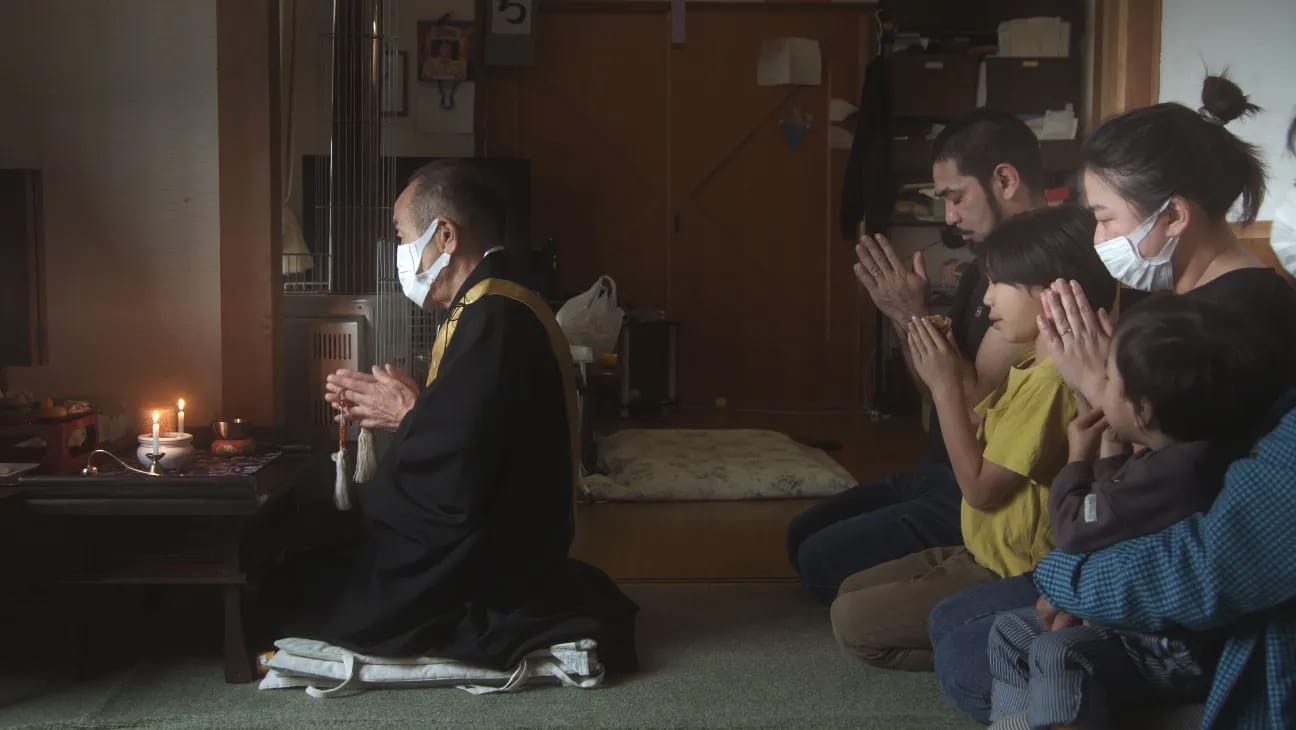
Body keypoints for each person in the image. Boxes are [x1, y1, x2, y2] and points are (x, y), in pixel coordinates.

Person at [929, 74, 1296, 723]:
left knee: (968, 652)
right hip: (1123, 539)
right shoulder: (1177, 295)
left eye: (1103, 217)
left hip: (1185, 590)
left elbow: (1199, 498)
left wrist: (1099, 393)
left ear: (1175, 215)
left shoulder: (1244, 318)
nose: (1099, 240)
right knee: (967, 632)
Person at [262, 160, 639, 672]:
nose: (398, 255)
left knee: (303, 592)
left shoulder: (494, 317)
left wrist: (412, 413)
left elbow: (461, 471)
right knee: (318, 567)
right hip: (501, 530)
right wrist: (418, 413)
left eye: (401, 235)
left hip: (492, 558)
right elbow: (474, 432)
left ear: (444, 235)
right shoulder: (492, 304)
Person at [828, 205, 1115, 669]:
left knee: (853, 624)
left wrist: (943, 389)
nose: (986, 302)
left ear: (1051, 293)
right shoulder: (1028, 363)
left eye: (998, 284)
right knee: (848, 590)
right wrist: (930, 344)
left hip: (1013, 570)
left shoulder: (1054, 382)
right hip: (980, 550)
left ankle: (994, 643)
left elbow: (980, 490)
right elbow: (979, 425)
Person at [986, 296, 1292, 729]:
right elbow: (1121, 507)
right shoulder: (1186, 450)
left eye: (1108, 377)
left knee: (1058, 650)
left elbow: (1077, 527)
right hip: (1141, 611)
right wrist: (1112, 456)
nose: (1099, 384)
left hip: (1168, 643)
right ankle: (1023, 719)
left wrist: (1078, 459)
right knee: (1008, 631)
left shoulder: (1176, 473)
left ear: (1143, 410)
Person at [786, 109, 1047, 602]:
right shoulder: (982, 268)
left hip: (976, 488)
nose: (949, 217)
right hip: (936, 468)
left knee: (820, 562)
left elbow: (971, 410)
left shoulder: (1036, 277)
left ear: (1005, 180)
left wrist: (913, 316)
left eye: (955, 197)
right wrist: (905, 318)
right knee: (800, 536)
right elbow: (932, 388)